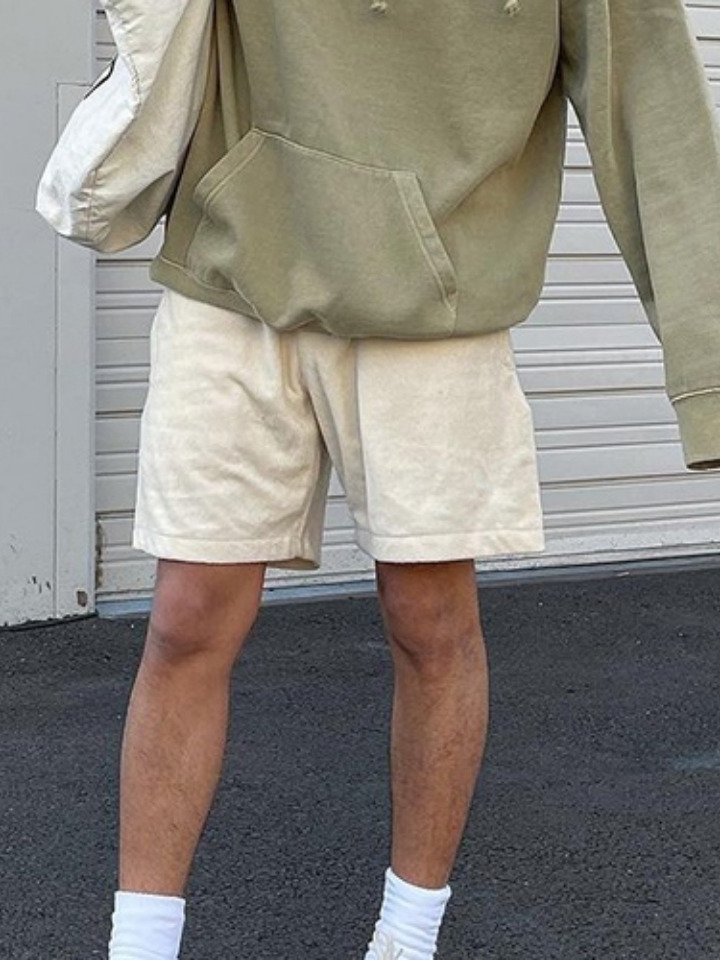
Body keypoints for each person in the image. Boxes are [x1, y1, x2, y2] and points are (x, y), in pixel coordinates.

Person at [106, 1, 720, 958]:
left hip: (442, 305)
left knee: (430, 622)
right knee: (187, 617)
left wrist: (707, 375)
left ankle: (405, 940)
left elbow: (655, 112)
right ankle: (137, 946)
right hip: (233, 269)